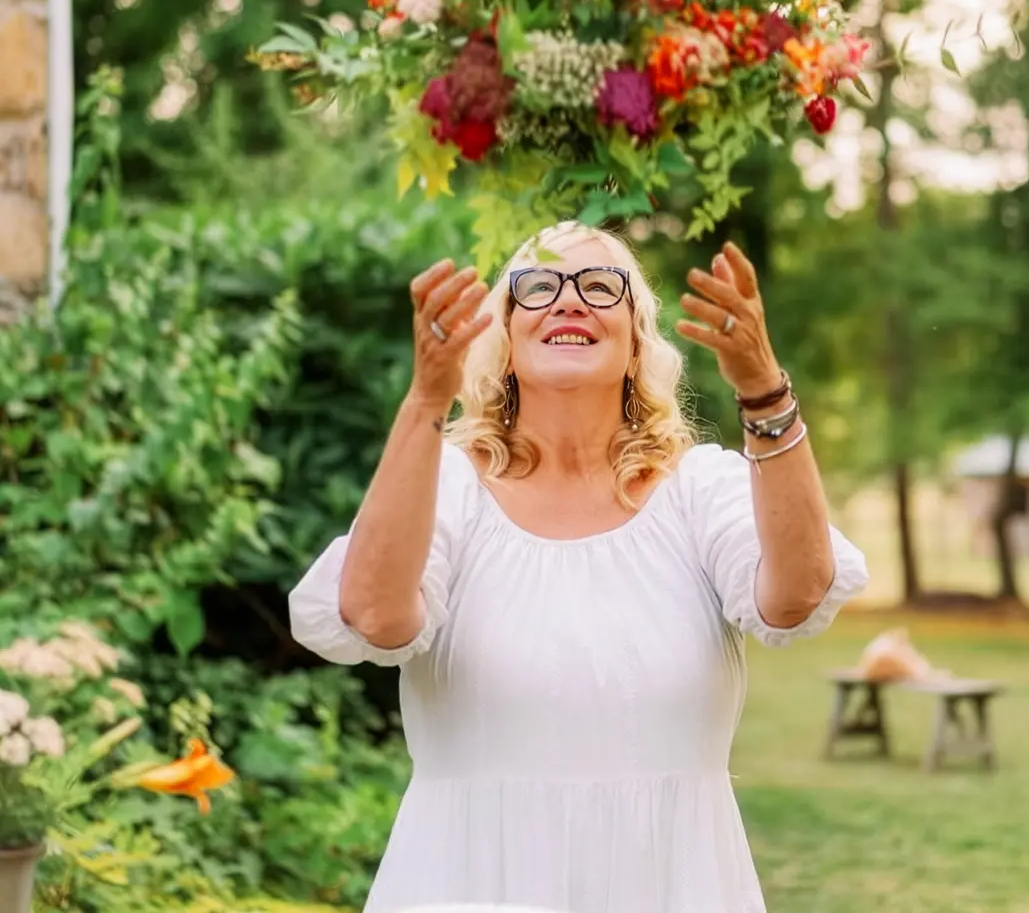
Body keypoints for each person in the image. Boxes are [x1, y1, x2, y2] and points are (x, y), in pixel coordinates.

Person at [289, 221, 867, 913]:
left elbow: (797, 594)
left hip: (671, 885)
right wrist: (426, 400)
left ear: (636, 341)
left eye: (599, 285)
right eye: (539, 287)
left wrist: (765, 392)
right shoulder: (447, 488)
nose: (569, 300)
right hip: (468, 881)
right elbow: (373, 615)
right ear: (504, 338)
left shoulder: (699, 491)